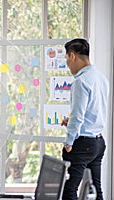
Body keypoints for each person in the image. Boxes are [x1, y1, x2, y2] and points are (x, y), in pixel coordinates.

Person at [61, 38, 109, 200]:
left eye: (67, 58)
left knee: (69, 190)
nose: (67, 63)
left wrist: (69, 143)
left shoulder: (80, 82)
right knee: (96, 189)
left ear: (73, 56)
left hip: (83, 145)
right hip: (98, 143)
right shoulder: (101, 78)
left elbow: (77, 116)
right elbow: (95, 111)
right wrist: (73, 122)